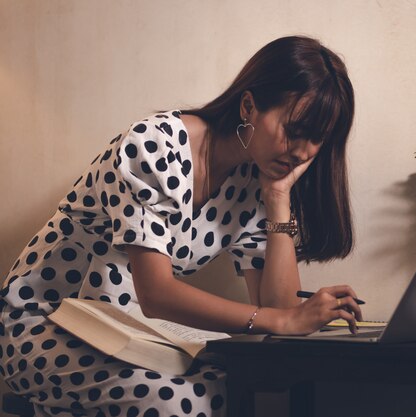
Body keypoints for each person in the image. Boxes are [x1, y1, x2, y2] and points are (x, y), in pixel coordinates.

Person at [0, 36, 361, 417]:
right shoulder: (156, 145)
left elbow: (279, 310)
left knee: (243, 385)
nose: (303, 151)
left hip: (133, 335)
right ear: (249, 106)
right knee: (185, 402)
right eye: (295, 130)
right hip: (44, 322)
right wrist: (282, 318)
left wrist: (278, 198)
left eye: (317, 138)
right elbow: (156, 294)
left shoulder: (257, 180)